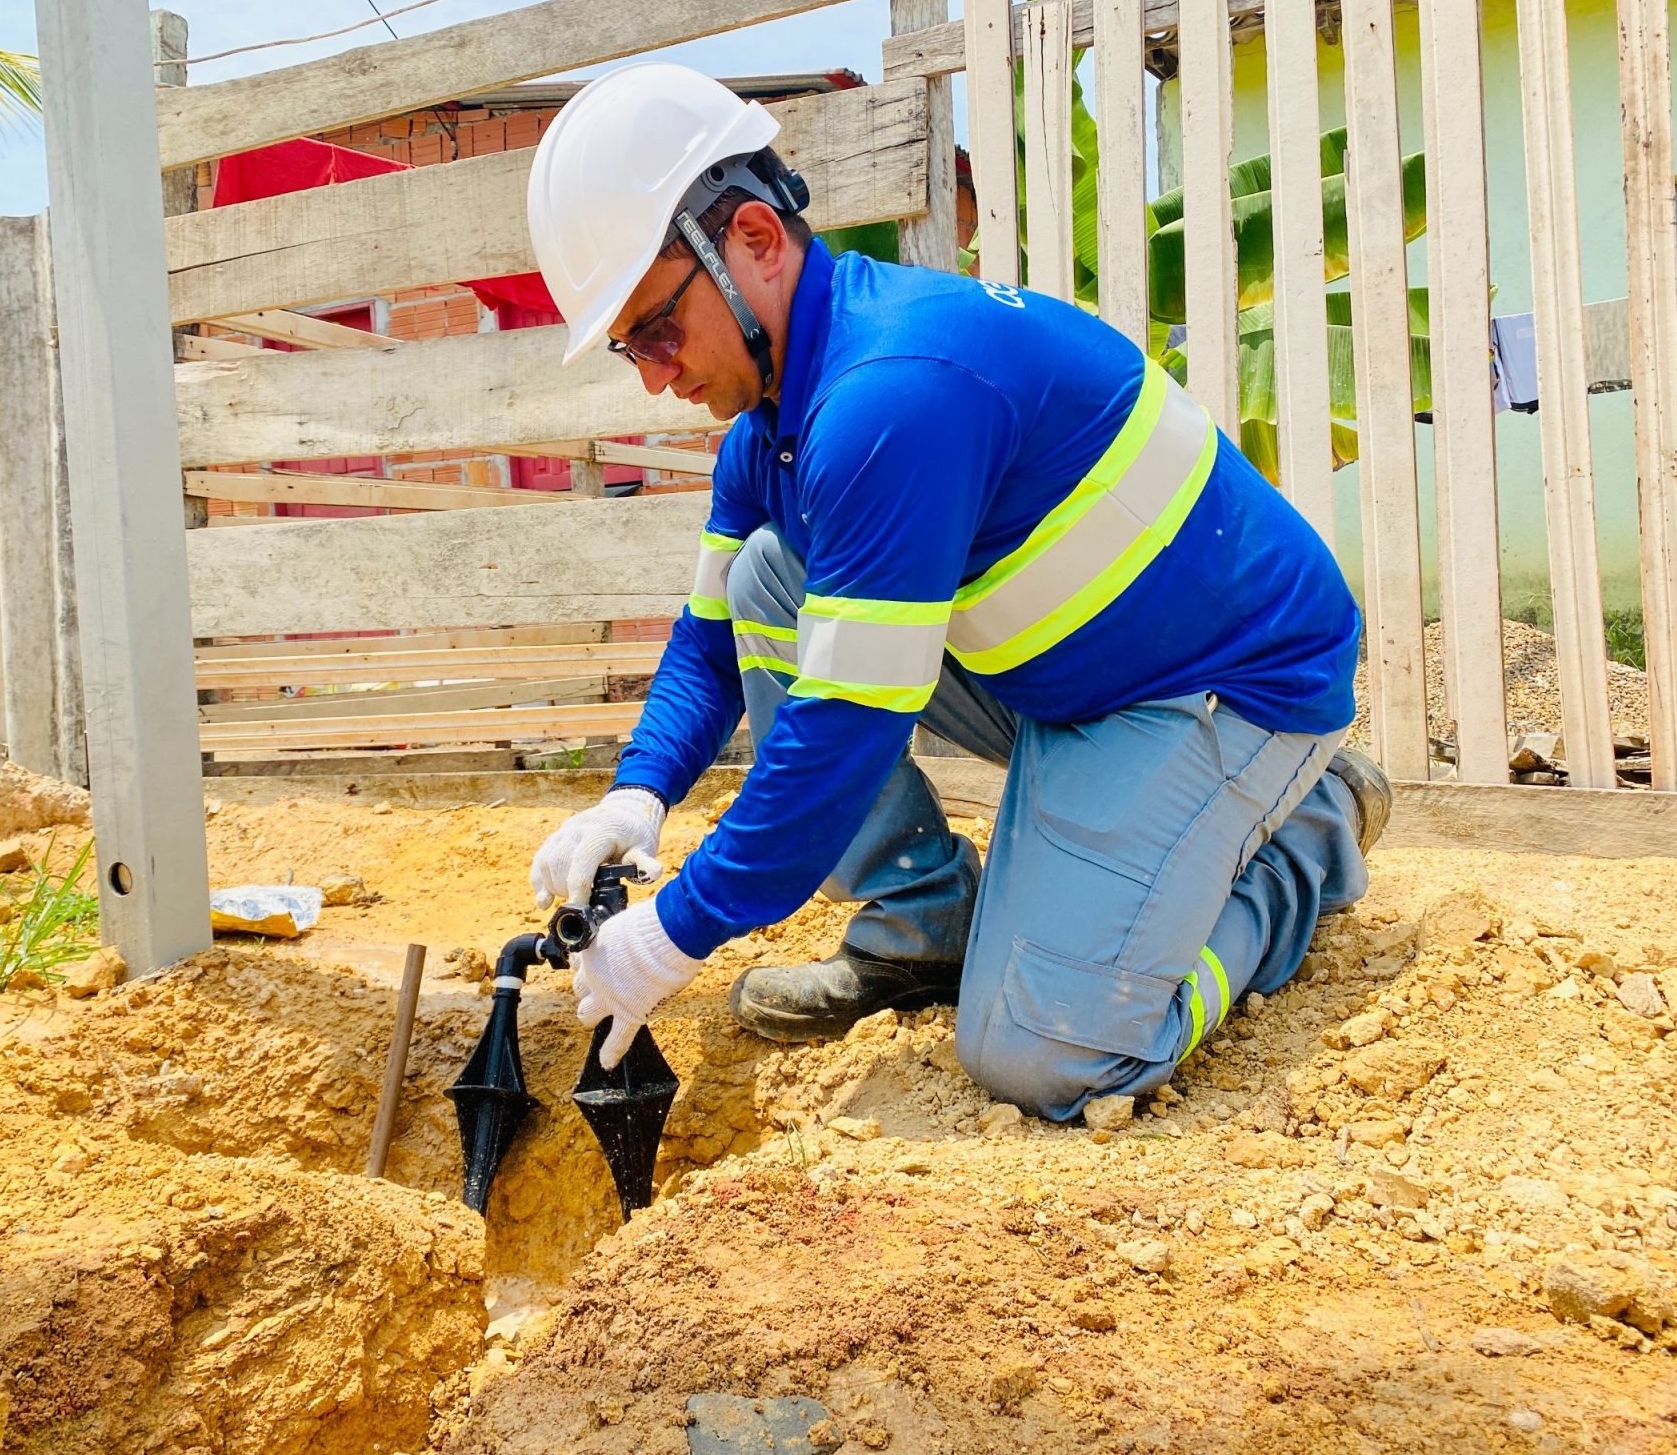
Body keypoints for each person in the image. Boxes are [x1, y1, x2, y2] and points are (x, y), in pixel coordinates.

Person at [522, 62, 1384, 1122]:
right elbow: (709, 643)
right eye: (627, 350)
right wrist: (636, 793)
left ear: (751, 238)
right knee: (765, 579)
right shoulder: (769, 432)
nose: (654, 375)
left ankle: (1305, 841)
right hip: (1072, 680)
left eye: (656, 330)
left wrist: (673, 931)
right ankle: (921, 925)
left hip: (1220, 687)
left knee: (1044, 1058)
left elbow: (843, 726)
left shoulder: (895, 398)